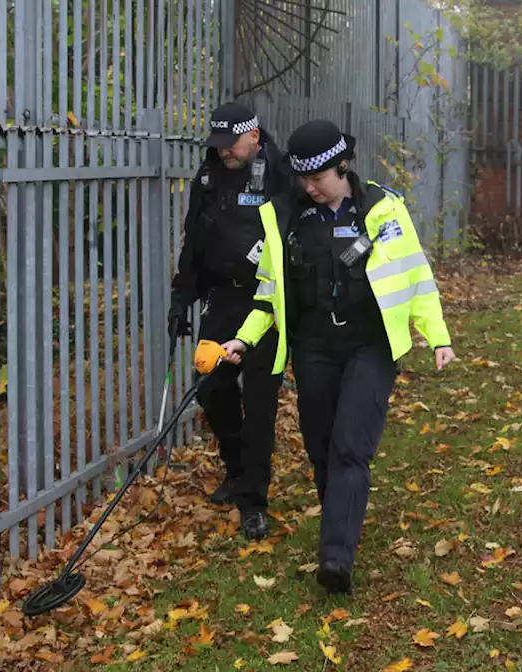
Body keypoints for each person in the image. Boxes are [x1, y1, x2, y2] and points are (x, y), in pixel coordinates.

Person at [218, 119, 456, 594]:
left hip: (371, 344)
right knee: (322, 446)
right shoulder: (285, 217)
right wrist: (242, 339)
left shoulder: (381, 209)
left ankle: (336, 557)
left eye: (318, 179)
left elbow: (415, 276)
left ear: (342, 167)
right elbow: (268, 295)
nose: (310, 188)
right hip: (314, 348)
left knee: (351, 444)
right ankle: (340, 525)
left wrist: (438, 334)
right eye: (303, 180)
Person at [167, 101, 289, 540]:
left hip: (267, 303)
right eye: (216, 145)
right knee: (211, 388)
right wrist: (183, 296)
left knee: (258, 404)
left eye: (230, 145)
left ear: (253, 136)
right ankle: (236, 468)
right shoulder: (210, 173)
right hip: (222, 299)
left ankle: (253, 501)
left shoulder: (282, 172)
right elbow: (193, 235)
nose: (223, 153)